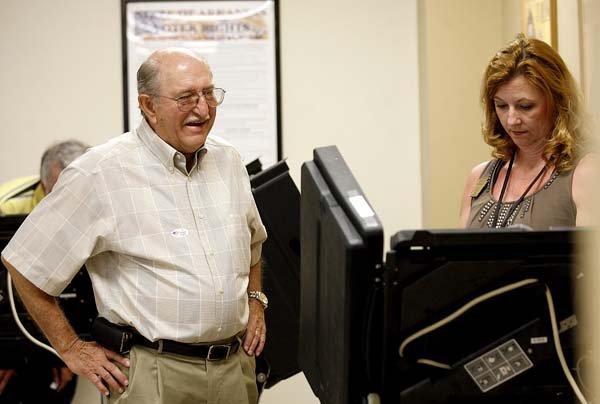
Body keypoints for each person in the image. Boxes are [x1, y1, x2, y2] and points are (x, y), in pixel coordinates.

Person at [1, 48, 268, 404]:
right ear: (148, 105)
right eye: (186, 97)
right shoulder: (99, 172)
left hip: (234, 371)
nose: (203, 109)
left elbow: (252, 244)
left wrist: (256, 300)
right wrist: (71, 349)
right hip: (152, 378)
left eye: (208, 93)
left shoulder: (229, 161)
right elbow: (25, 263)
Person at [460, 34, 594, 230]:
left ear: (558, 103)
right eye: (502, 106)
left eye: (525, 106)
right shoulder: (478, 177)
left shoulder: (586, 173)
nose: (512, 120)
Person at [0, 140, 88, 404]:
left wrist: (63, 352)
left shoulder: (95, 201)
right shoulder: (8, 204)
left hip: (63, 326)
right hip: (12, 324)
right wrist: (5, 352)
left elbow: (84, 284)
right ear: (43, 183)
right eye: (60, 191)